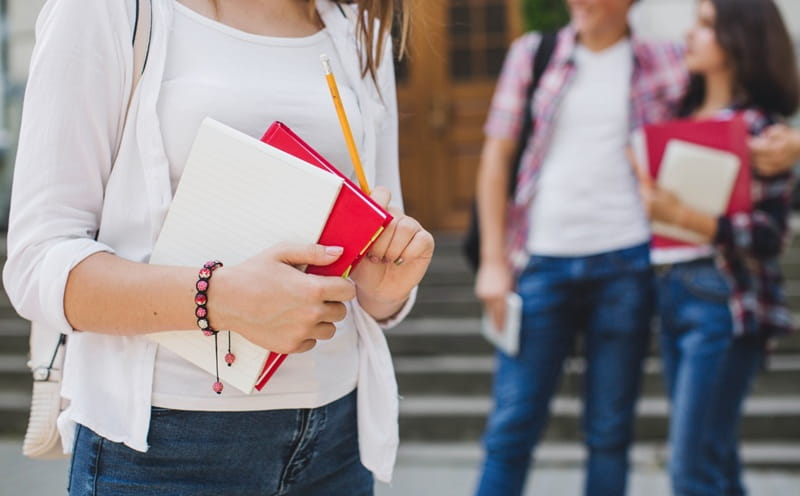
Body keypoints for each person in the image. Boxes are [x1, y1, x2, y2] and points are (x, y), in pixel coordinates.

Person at [2, 0, 433, 494]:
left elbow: (376, 250)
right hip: (165, 448)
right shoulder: (109, 11)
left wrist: (385, 286)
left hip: (336, 437)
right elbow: (39, 262)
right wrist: (221, 296)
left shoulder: (355, 29)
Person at [472, 0, 800, 495]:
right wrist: (493, 263)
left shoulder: (667, 59)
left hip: (629, 267)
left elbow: (745, 86)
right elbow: (496, 157)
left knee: (611, 433)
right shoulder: (533, 53)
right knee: (510, 428)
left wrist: (794, 142)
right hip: (540, 262)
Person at [633, 1, 799, 494]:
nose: (690, 34)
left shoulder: (760, 130)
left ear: (738, 39)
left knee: (691, 469)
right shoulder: (675, 113)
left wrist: (683, 217)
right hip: (671, 289)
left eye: (706, 25)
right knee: (716, 461)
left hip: (724, 296)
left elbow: (770, 235)